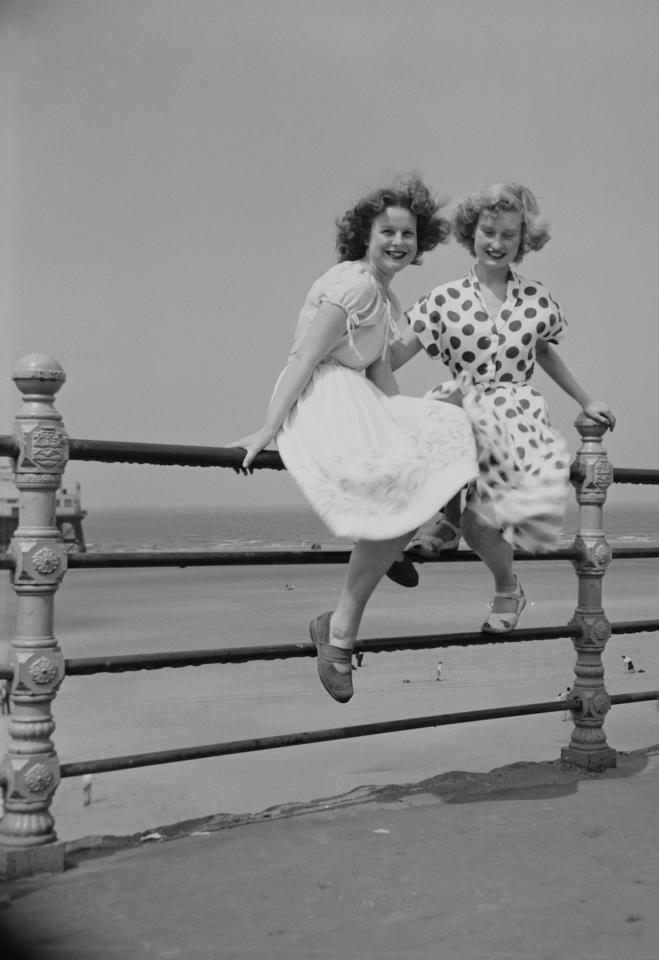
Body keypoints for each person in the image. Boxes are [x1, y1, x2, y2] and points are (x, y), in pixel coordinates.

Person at [230, 177, 477, 704]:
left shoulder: (384, 297)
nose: (398, 242)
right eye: (387, 231)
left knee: (448, 425)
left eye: (408, 235)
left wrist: (413, 421)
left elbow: (383, 376)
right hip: (321, 398)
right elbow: (303, 357)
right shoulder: (355, 285)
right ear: (364, 235)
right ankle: (341, 629)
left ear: (420, 243)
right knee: (402, 477)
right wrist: (266, 429)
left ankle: (400, 540)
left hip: (357, 399)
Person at [393, 183, 615, 632]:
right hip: (461, 406)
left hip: (516, 413)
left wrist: (586, 399)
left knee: (482, 528)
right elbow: (396, 353)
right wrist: (343, 342)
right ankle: (445, 523)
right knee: (434, 425)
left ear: (523, 241)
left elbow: (545, 353)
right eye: (488, 231)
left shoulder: (537, 299)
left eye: (509, 235)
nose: (496, 243)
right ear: (471, 232)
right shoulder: (444, 298)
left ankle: (496, 578)